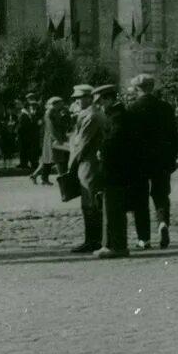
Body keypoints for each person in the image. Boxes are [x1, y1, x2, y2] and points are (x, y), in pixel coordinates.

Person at [126, 74, 178, 250]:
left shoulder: (132, 108)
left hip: (139, 161)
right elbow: (174, 136)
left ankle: (144, 238)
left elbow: (129, 139)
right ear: (152, 87)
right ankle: (162, 223)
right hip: (162, 159)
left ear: (137, 89)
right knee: (161, 195)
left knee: (140, 199)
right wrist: (172, 158)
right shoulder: (166, 107)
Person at [93, 84, 136, 259]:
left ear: (109, 99)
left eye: (102, 101)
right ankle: (111, 244)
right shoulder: (115, 115)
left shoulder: (118, 116)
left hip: (115, 170)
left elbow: (114, 141)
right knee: (111, 206)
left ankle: (116, 245)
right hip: (115, 169)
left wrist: (101, 149)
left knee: (114, 207)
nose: (100, 105)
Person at [66, 84, 105, 254]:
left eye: (80, 98)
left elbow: (81, 144)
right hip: (92, 162)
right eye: (75, 98)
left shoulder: (91, 116)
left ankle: (93, 240)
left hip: (88, 163)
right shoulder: (94, 114)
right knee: (93, 202)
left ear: (90, 98)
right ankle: (94, 239)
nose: (77, 101)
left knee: (89, 203)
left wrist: (71, 165)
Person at [32, 96, 68, 185]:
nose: (62, 104)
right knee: (57, 159)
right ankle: (63, 180)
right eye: (61, 102)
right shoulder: (50, 112)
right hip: (52, 139)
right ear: (56, 103)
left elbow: (60, 124)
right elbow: (51, 127)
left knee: (48, 159)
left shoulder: (56, 112)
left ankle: (35, 175)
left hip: (55, 138)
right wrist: (57, 138)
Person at [18, 95, 41, 175]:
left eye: (34, 105)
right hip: (25, 135)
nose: (32, 107)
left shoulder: (32, 114)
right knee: (25, 149)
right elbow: (23, 126)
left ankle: (32, 162)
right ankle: (24, 163)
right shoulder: (24, 114)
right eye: (31, 106)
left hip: (31, 135)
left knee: (31, 149)